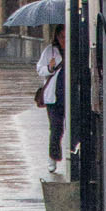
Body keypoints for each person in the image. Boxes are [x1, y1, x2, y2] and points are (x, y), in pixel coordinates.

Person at [37, 27, 65, 175]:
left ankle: (74, 153)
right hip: (53, 97)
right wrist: (49, 67)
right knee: (56, 128)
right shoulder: (50, 51)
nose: (64, 40)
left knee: (74, 127)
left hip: (70, 94)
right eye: (61, 37)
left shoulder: (76, 49)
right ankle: (53, 157)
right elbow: (39, 69)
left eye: (66, 37)